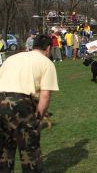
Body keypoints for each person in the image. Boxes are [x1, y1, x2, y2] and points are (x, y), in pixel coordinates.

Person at [0, 34, 59, 172]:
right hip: (21, 104)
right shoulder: (46, 63)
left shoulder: (12, 58)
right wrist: (38, 119)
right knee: (29, 149)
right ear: (49, 48)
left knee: (3, 149)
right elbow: (45, 95)